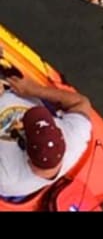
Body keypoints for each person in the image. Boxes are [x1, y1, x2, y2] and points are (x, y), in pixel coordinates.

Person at [0, 71, 92, 200]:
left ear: (28, 159)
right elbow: (81, 103)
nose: (20, 122)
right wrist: (35, 90)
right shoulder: (75, 137)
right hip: (16, 89)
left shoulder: (6, 178)